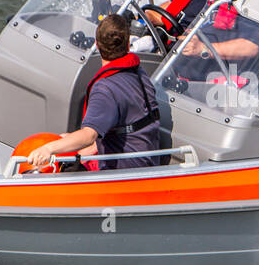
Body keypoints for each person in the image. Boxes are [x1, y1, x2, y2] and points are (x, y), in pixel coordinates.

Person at [27, 13, 160, 171]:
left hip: (124, 169)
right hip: (146, 157)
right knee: (64, 139)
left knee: (60, 165)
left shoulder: (106, 88)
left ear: (97, 44)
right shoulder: (138, 71)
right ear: (126, 45)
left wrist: (48, 149)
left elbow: (89, 135)